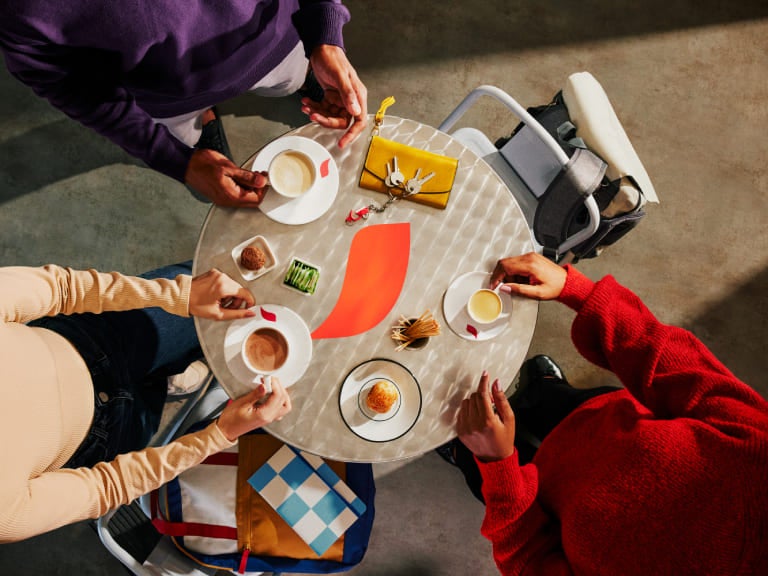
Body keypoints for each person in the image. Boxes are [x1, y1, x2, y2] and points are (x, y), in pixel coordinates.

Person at [449, 252, 768, 575]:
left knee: (469, 449)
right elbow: (684, 371)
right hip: (595, 419)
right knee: (554, 400)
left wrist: (498, 467)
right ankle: (545, 388)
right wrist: (581, 292)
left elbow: (529, 560)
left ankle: (461, 451)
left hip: (540, 503)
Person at [0, 261, 292, 543]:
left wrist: (177, 294)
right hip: (109, 432)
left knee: (235, 281)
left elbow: (64, 288)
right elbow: (108, 487)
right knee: (156, 386)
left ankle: (164, 370)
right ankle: (163, 375)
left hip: (93, 337)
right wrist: (220, 434)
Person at [0, 0, 367, 207]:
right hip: (169, 99)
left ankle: (301, 77)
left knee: (288, 80)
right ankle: (204, 122)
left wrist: (323, 36)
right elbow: (70, 86)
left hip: (275, 42)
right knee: (186, 133)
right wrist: (176, 159)